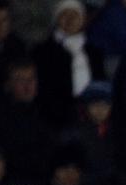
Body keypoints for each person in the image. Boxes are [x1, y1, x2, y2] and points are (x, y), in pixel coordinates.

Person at [32, 0, 105, 128]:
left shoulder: (93, 51)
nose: (70, 19)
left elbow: (100, 81)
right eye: (65, 14)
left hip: (90, 114)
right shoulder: (43, 51)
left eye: (75, 15)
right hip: (58, 116)